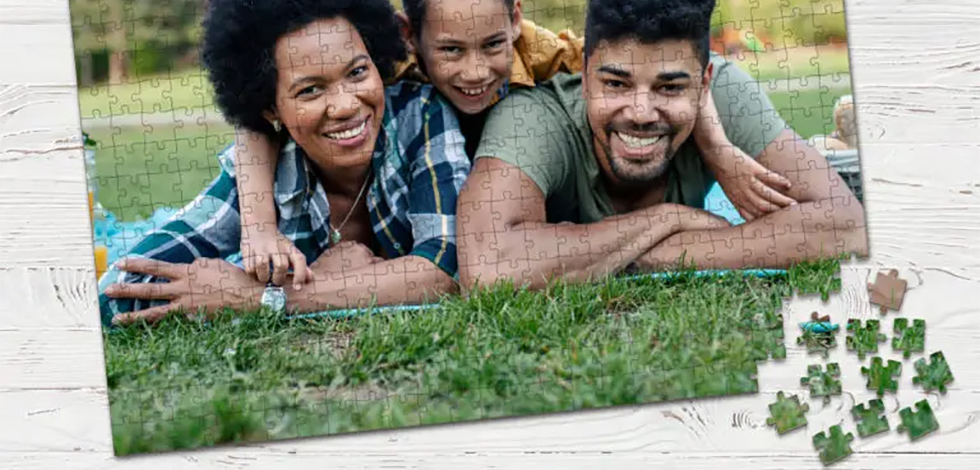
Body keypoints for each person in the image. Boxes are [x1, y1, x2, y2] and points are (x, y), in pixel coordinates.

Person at [231, 0, 791, 292]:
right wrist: (258, 226)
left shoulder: (554, 54)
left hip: (512, 194)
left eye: (494, 44)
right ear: (410, 35)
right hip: (434, 205)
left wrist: (716, 147)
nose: (475, 71)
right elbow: (257, 116)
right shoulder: (377, 69)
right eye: (450, 51)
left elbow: (655, 74)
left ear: (516, 21)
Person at [97, 0, 471, 326]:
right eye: (310, 90)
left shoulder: (421, 117)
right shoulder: (267, 174)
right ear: (271, 107)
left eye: (357, 72)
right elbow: (113, 292)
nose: (344, 106)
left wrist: (261, 297)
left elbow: (444, 269)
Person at [455, 0, 869, 292]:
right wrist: (669, 218)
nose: (640, 112)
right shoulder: (533, 116)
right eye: (615, 83)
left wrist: (641, 255)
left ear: (704, 83)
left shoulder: (725, 90)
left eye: (669, 87)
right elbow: (490, 268)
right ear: (583, 75)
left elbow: (846, 226)